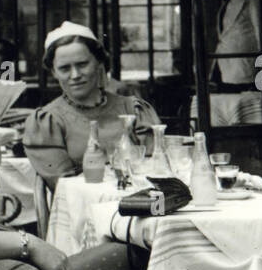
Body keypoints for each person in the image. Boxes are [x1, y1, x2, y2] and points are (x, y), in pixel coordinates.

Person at [23, 22, 162, 191]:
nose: (75, 75)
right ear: (54, 72)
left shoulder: (133, 110)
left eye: (82, 64)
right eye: (64, 68)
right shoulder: (47, 123)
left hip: (141, 205)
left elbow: (157, 169)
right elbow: (66, 189)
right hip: (84, 212)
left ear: (99, 64)